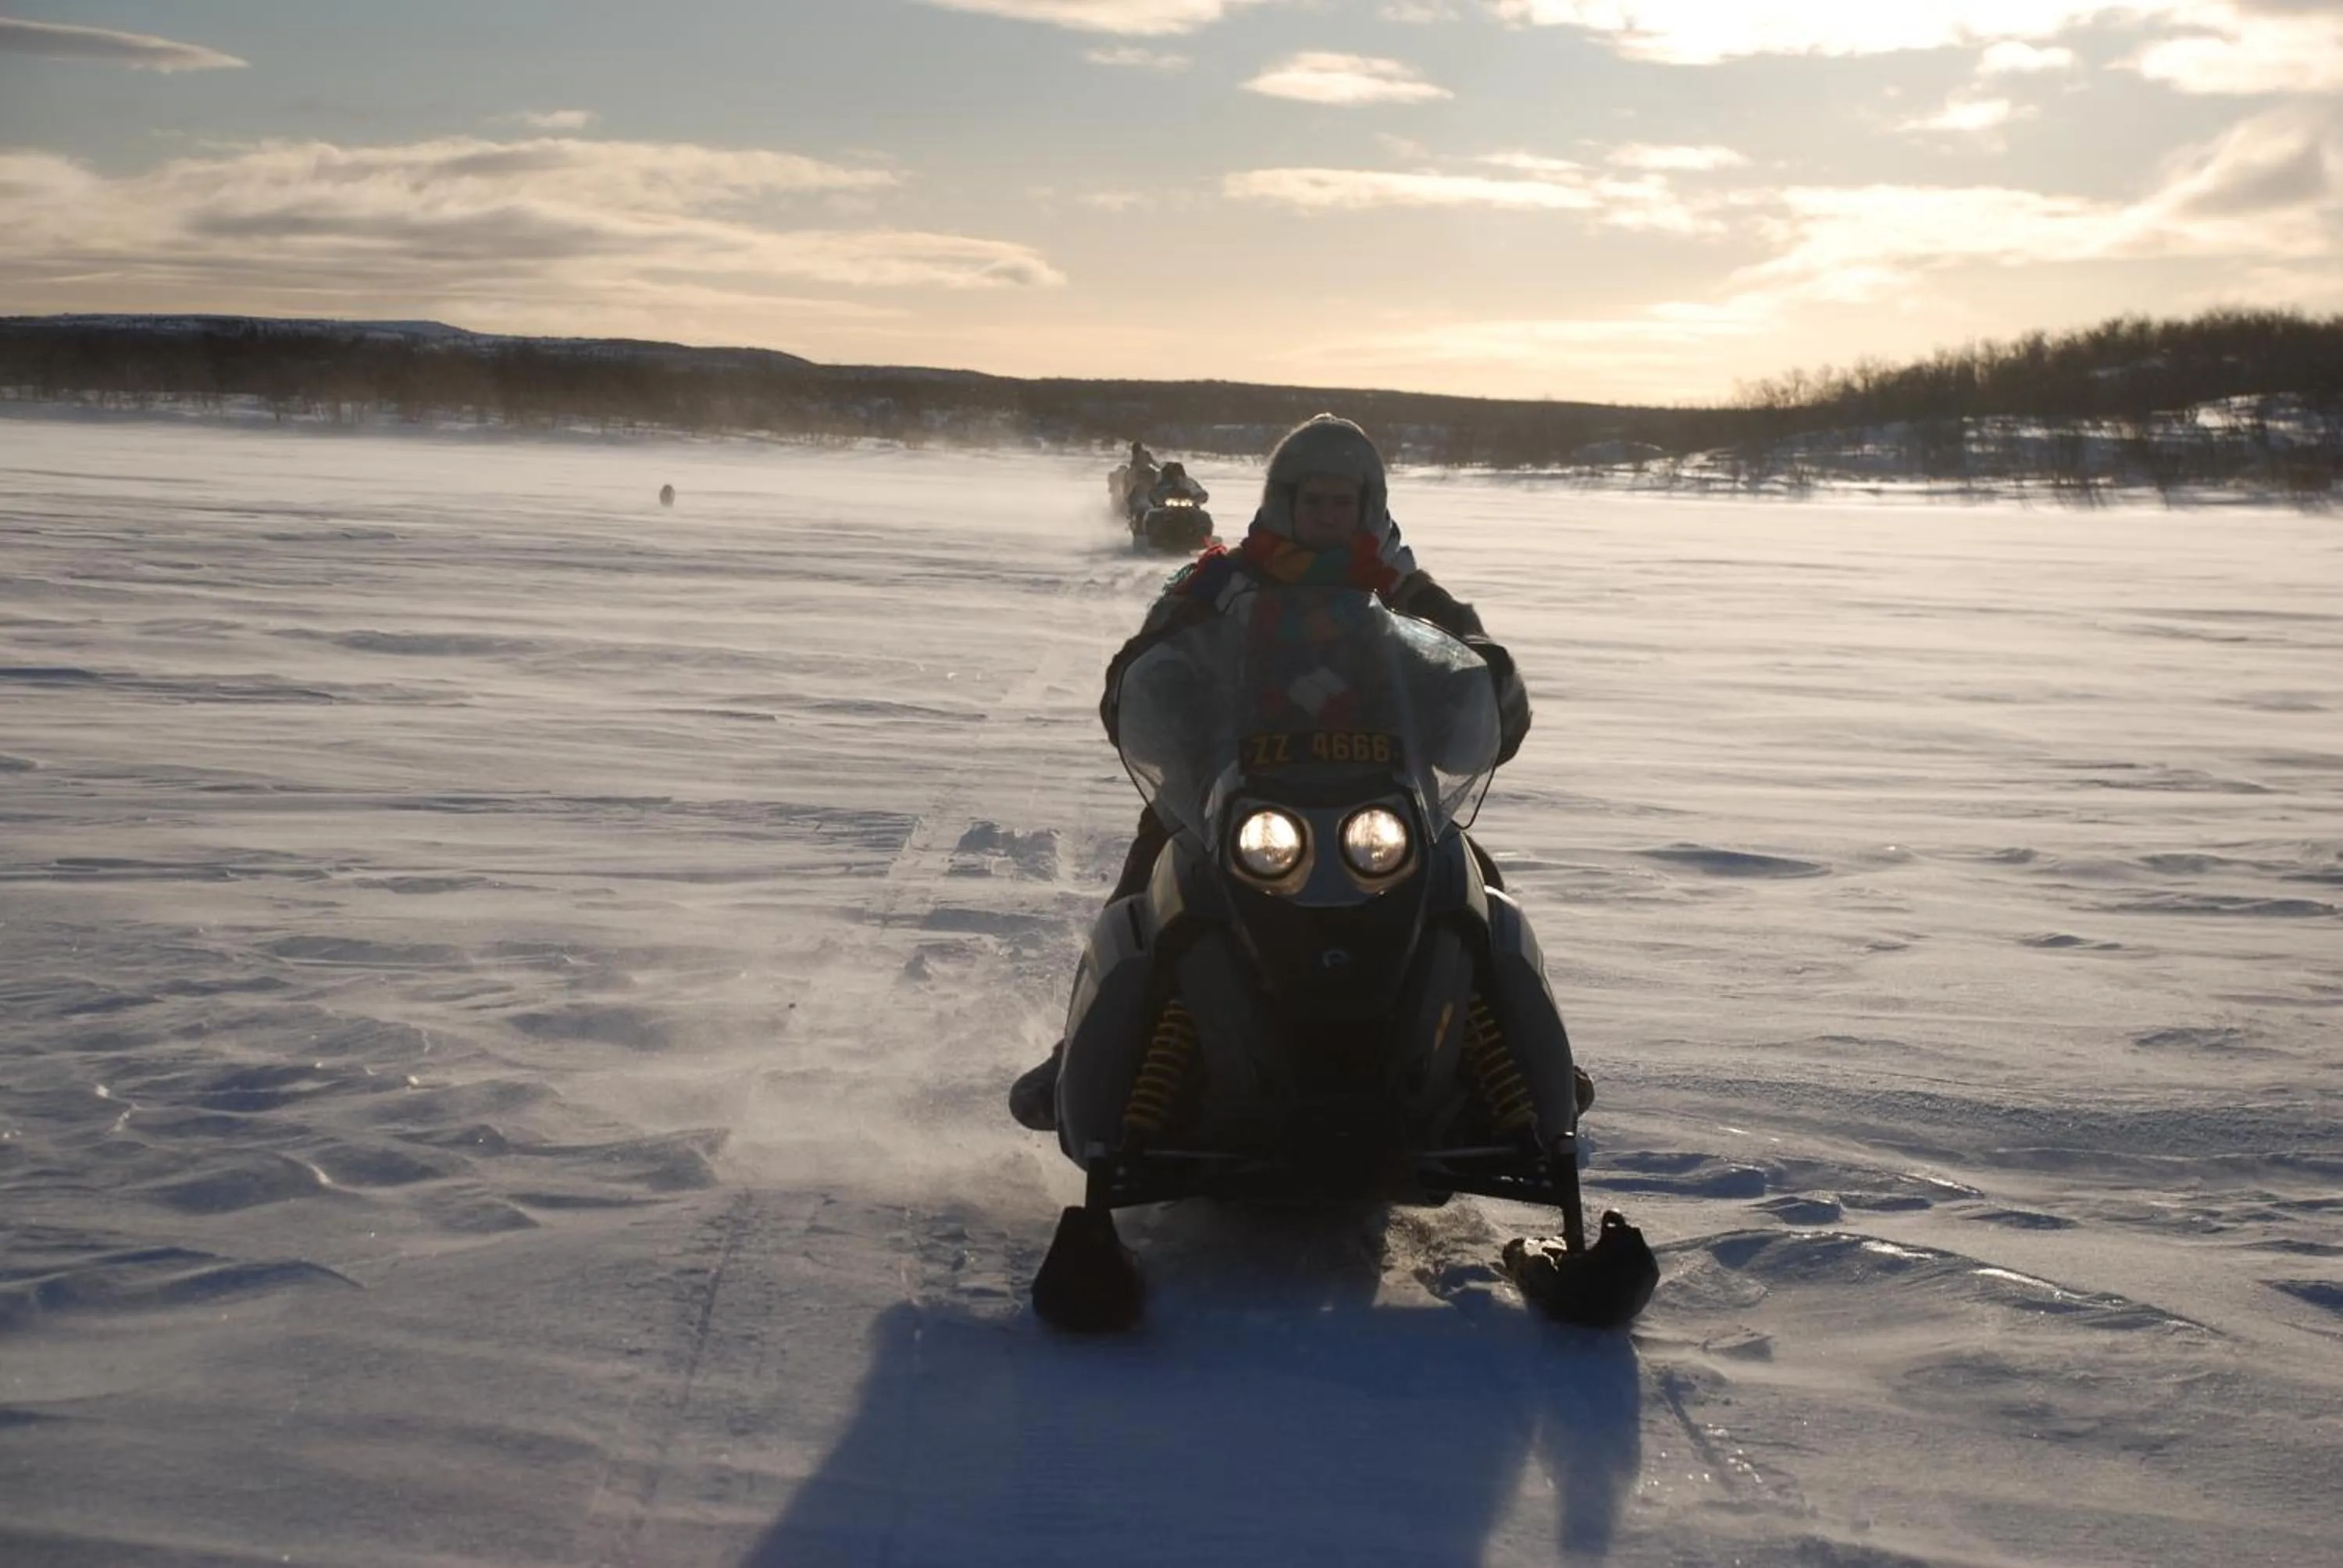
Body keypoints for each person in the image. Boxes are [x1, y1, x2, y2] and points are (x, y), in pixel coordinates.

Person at [1011, 413, 1533, 1132]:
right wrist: (1155, 695)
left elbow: (1469, 667)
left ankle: (1523, 1067)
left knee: (1473, 890)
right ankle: (1086, 1056)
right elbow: (1145, 663)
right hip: (1227, 792)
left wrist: (1491, 689)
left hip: (1382, 798)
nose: (1326, 516)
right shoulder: (1218, 581)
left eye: (1341, 502)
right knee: (1145, 887)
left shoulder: (1404, 592)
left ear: (1368, 507)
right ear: (1284, 500)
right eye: (1312, 500)